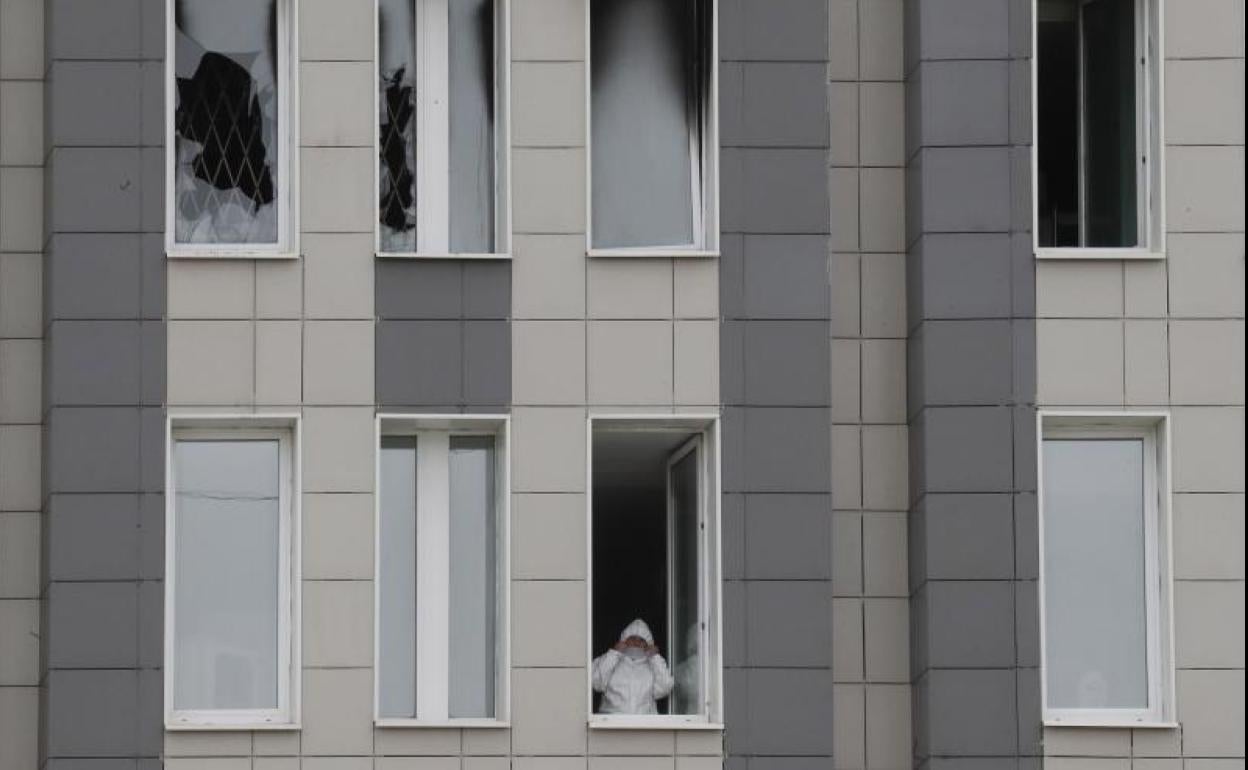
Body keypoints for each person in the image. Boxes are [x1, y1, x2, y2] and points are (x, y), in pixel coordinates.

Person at [591, 618, 674, 714]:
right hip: (611, 721)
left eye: (641, 640)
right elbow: (596, 683)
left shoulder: (653, 666)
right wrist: (614, 653)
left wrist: (655, 658)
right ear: (624, 640)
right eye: (632, 638)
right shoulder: (610, 660)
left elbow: (665, 688)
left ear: (648, 644)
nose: (636, 643)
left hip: (643, 722)